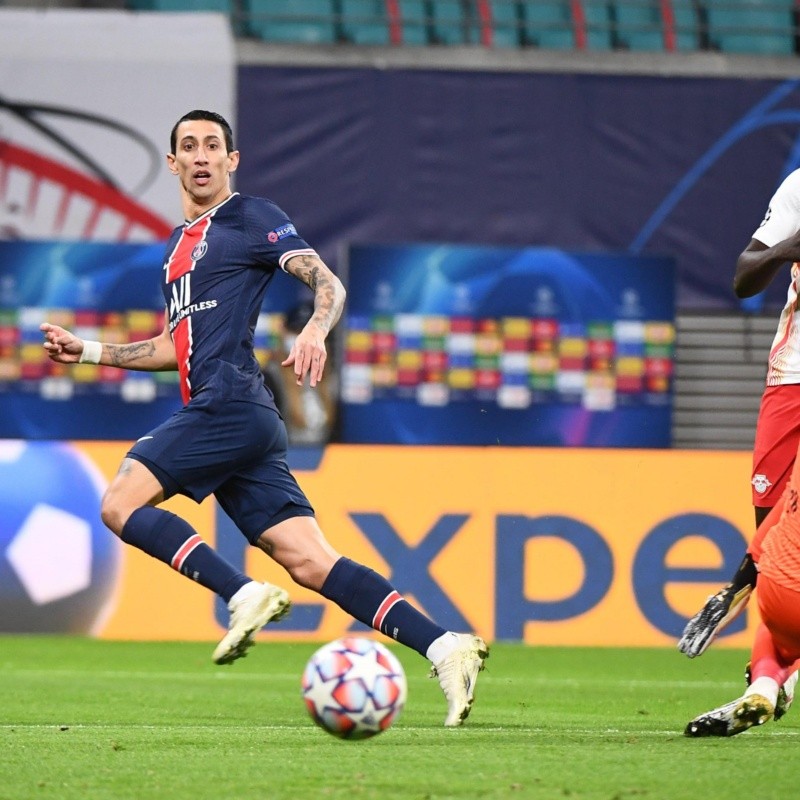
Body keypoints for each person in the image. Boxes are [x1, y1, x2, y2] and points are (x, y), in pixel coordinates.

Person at [40, 109, 488, 727]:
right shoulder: (177, 250)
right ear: (172, 163)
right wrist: (89, 350)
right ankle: (444, 645)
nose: (201, 156)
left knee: (119, 503)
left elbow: (326, 281)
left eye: (213, 146)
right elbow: (177, 346)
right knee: (308, 561)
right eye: (189, 147)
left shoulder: (251, 217)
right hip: (239, 418)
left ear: (232, 161)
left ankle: (243, 593)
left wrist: (312, 329)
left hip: (228, 404)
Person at [679, 168, 800, 659]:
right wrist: (784, 250)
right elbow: (743, 278)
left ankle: (766, 668)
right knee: (771, 529)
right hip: (792, 374)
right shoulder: (799, 186)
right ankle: (774, 669)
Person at [684, 462, 800, 737]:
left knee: (782, 638)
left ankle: (764, 688)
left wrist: (737, 585)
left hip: (777, 594)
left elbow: (785, 503)